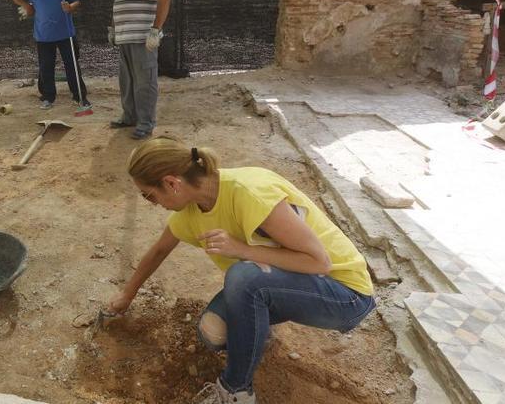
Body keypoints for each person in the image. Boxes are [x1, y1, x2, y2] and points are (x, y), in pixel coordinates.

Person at [107, 137, 376, 404]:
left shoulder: (249, 192)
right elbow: (159, 250)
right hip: (296, 285)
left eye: (149, 195)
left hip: (344, 294)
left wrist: (242, 250)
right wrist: (127, 295)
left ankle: (235, 391)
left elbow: (320, 262)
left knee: (244, 278)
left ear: (171, 182)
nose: (151, 203)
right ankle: (259, 336)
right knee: (213, 332)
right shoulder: (191, 212)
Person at [10, 0, 90, 110]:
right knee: (46, 67)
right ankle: (47, 97)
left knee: (72, 65)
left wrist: (70, 7)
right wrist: (26, 5)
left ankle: (80, 96)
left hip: (66, 32)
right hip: (43, 34)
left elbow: (77, 0)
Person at [108, 0, 171, 140]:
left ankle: (146, 123)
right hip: (124, 37)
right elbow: (120, 1)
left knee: (145, 82)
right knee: (126, 82)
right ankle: (130, 117)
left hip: (143, 38)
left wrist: (155, 30)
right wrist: (114, 28)